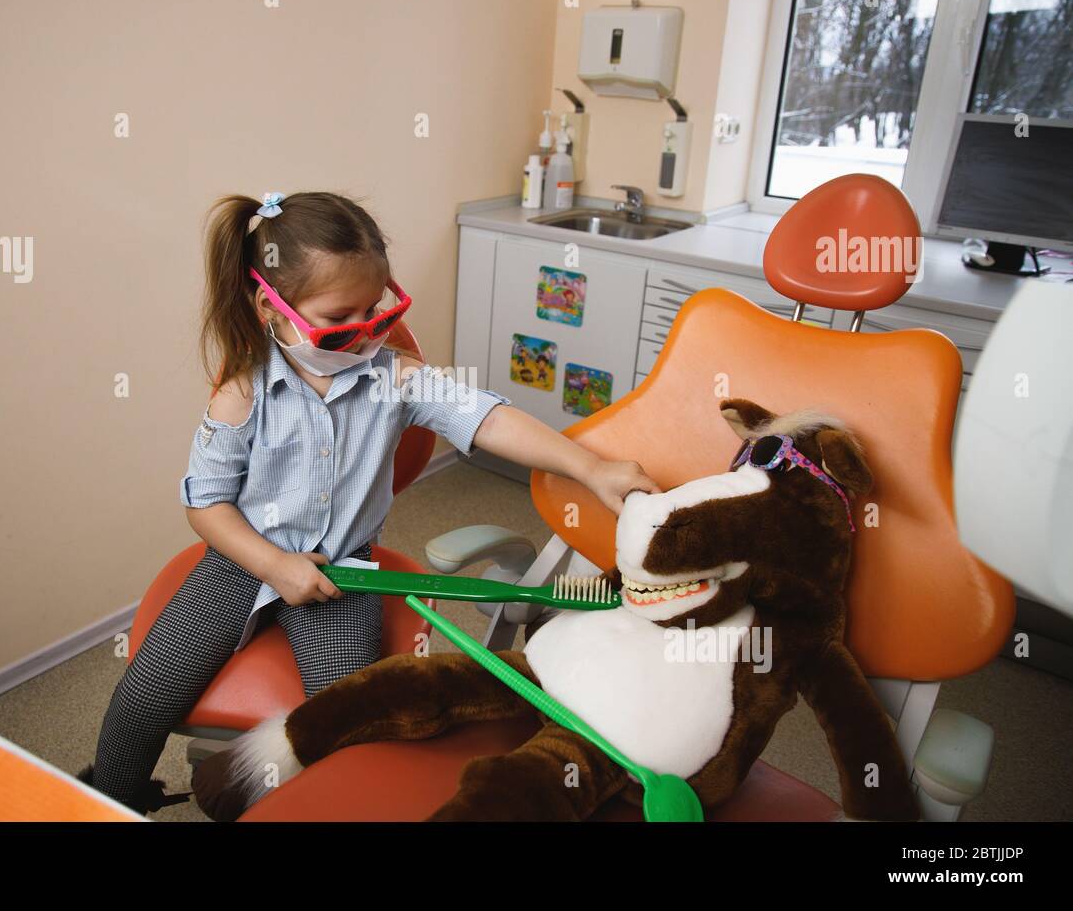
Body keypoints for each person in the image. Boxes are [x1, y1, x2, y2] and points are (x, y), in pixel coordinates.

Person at [82, 190, 658, 814]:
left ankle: (281, 805)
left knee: (344, 722)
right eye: (339, 316)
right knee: (143, 697)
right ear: (271, 307)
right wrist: (275, 566)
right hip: (242, 563)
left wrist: (590, 468)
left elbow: (488, 418)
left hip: (346, 573)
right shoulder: (241, 393)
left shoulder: (395, 374)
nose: (364, 333)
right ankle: (110, 797)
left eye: (374, 311)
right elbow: (207, 509)